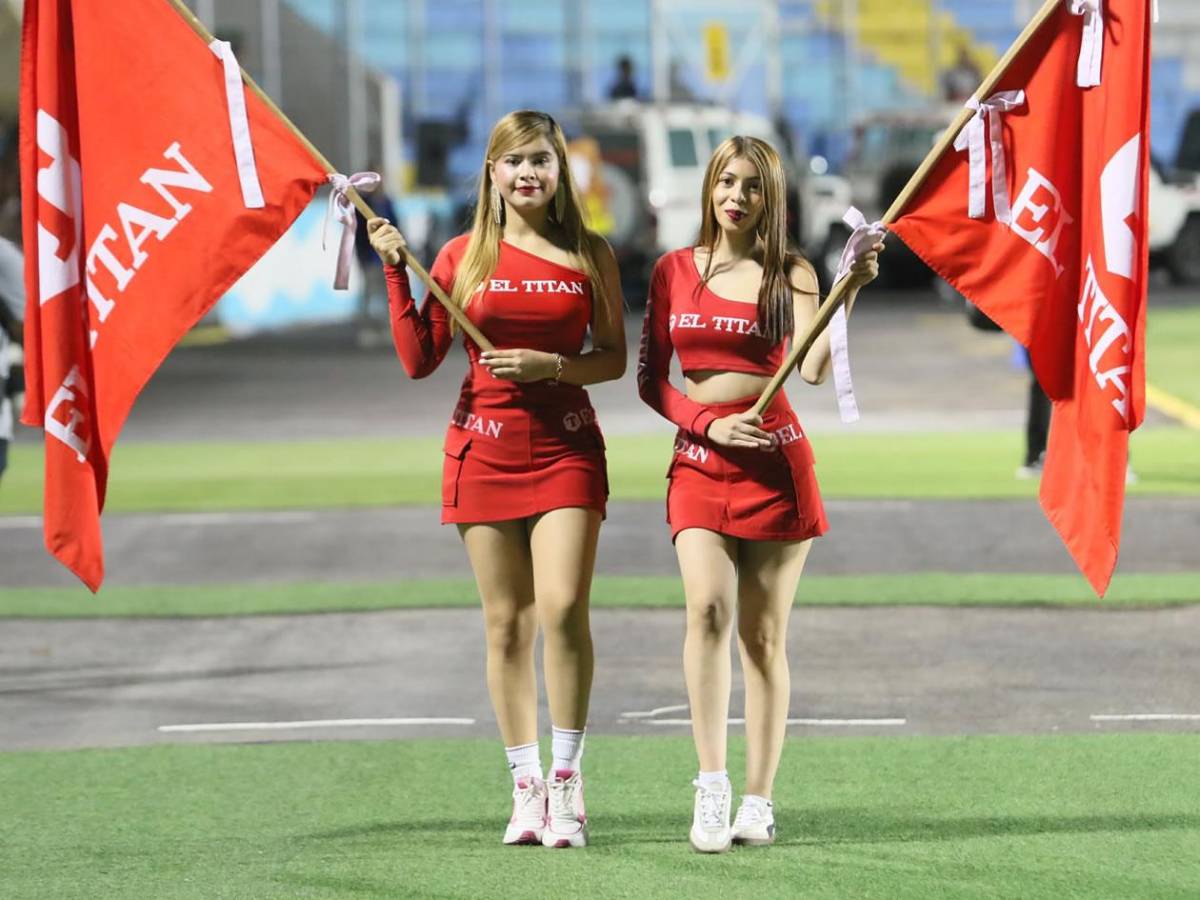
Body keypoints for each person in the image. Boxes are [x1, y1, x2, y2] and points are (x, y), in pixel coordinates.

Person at [368, 110, 626, 849]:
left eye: (540, 160)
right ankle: (525, 787)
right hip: (482, 450)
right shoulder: (460, 257)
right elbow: (419, 359)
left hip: (567, 449)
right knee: (506, 622)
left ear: (560, 169)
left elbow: (611, 357)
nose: (527, 174)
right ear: (492, 172)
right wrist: (394, 268)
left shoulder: (591, 254)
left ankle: (569, 782)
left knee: (564, 606)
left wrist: (555, 368)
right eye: (513, 161)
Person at [637, 136, 880, 853]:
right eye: (726, 182)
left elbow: (808, 370)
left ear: (772, 200)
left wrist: (852, 288)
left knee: (763, 637)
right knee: (707, 609)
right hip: (697, 463)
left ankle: (759, 798)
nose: (736, 197)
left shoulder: (792, 273)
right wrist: (709, 423)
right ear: (709, 187)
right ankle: (710, 785)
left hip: (776, 466)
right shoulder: (672, 270)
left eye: (752, 187)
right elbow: (653, 382)